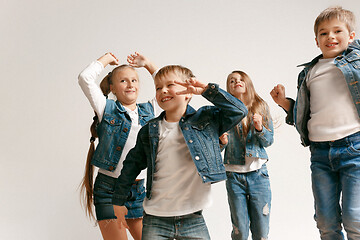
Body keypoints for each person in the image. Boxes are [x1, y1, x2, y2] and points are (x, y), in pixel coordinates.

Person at [111, 65, 248, 239]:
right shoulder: (150, 130)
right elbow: (131, 165)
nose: (163, 91)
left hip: (193, 219)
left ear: (189, 92)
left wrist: (207, 90)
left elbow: (239, 110)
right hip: (155, 219)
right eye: (158, 87)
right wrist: (118, 201)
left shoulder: (206, 120)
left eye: (170, 85)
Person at [270, 6, 360, 239]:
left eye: (337, 31)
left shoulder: (356, 61)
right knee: (325, 220)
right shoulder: (309, 73)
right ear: (316, 41)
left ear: (351, 36)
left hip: (354, 149)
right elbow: (304, 113)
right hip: (320, 154)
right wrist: (284, 102)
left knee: (354, 217)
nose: (330, 36)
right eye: (323, 33)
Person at [78, 52, 159, 240]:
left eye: (134, 80)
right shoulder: (106, 108)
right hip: (109, 190)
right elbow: (85, 78)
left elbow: (169, 88)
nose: (130, 84)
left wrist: (148, 65)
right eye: (123, 81)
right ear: (112, 88)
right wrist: (105, 59)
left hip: (138, 192)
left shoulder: (151, 110)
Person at [219, 71, 273, 240]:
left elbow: (269, 141)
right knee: (240, 230)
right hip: (234, 176)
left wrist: (259, 128)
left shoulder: (260, 106)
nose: (237, 82)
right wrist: (222, 141)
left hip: (258, 175)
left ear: (248, 82)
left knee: (261, 231)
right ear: (228, 87)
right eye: (232, 81)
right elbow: (215, 148)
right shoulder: (223, 112)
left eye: (241, 79)